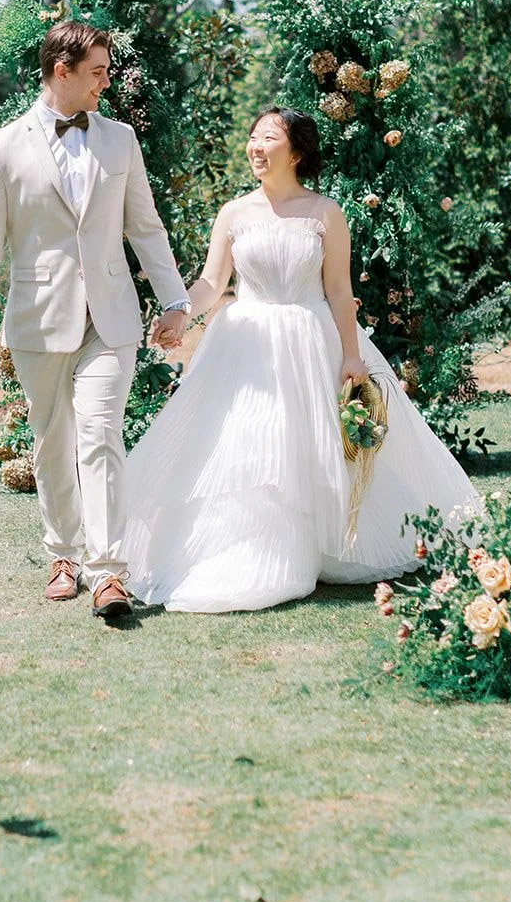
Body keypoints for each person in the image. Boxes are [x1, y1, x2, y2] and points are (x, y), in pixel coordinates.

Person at [121, 107, 482, 613]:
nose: (255, 146)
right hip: (246, 346)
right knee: (249, 445)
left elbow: (338, 289)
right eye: (252, 136)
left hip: (313, 341)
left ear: (296, 152)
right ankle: (252, 549)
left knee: (313, 446)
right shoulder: (234, 213)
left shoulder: (325, 214)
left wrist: (352, 356)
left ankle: (323, 544)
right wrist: (180, 311)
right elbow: (212, 283)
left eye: (268, 137)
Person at [0, 20, 190, 621]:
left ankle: (109, 571)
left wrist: (175, 302)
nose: (106, 83)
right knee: (52, 442)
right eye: (97, 72)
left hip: (111, 319)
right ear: (61, 72)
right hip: (38, 318)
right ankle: (62, 555)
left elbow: (145, 226)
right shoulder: (3, 148)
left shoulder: (120, 142)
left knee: (101, 434)